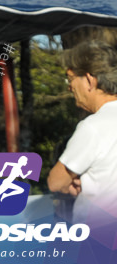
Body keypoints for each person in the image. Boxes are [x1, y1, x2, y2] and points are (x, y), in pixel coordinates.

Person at [47, 40, 117, 232]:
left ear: (89, 80)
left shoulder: (92, 126)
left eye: (70, 79)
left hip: (99, 234)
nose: (70, 87)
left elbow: (55, 182)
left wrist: (70, 184)